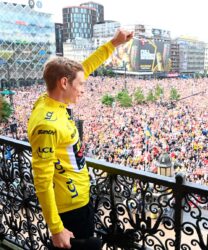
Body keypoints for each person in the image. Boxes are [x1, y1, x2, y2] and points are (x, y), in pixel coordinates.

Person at [27, 28, 133, 249]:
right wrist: (56, 228)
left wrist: (113, 44)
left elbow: (85, 68)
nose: (83, 90)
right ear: (64, 83)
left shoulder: (49, 100)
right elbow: (42, 180)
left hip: (78, 199)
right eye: (81, 84)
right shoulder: (48, 124)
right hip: (70, 209)